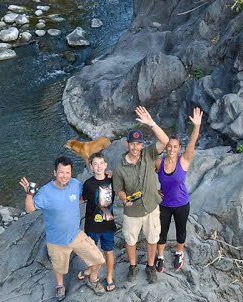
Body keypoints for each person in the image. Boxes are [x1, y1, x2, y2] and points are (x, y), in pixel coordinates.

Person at [20, 157, 105, 301]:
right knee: (59, 267)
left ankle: (92, 278)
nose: (64, 176)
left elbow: (81, 198)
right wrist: (29, 194)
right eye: (61, 172)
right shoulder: (46, 192)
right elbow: (30, 209)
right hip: (56, 240)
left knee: (98, 258)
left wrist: (105, 176)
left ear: (71, 172)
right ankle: (60, 286)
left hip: (75, 235)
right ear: (55, 172)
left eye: (67, 172)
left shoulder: (76, 184)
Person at [113, 105, 168, 282]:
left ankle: (150, 266)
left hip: (152, 207)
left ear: (142, 144)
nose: (136, 147)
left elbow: (165, 141)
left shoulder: (149, 154)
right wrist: (123, 199)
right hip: (132, 211)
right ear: (127, 144)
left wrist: (151, 123)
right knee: (130, 240)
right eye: (132, 143)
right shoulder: (119, 167)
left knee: (152, 239)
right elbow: (119, 189)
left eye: (138, 143)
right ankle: (133, 266)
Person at [156, 107, 203, 272]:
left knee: (181, 231)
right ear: (165, 147)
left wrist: (196, 126)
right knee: (162, 232)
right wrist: (155, 192)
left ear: (178, 149)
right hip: (165, 204)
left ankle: (179, 253)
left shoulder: (183, 160)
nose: (171, 149)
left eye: (175, 147)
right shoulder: (159, 163)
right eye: (169, 146)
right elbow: (146, 175)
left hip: (182, 203)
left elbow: (191, 143)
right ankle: (160, 256)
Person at [81, 152, 118, 291]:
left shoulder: (112, 180)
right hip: (92, 225)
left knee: (108, 251)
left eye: (101, 163)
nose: (98, 167)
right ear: (90, 166)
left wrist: (113, 174)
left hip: (108, 224)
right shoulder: (88, 184)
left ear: (106, 165)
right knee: (92, 252)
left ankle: (109, 276)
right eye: (95, 164)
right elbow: (82, 199)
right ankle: (90, 270)